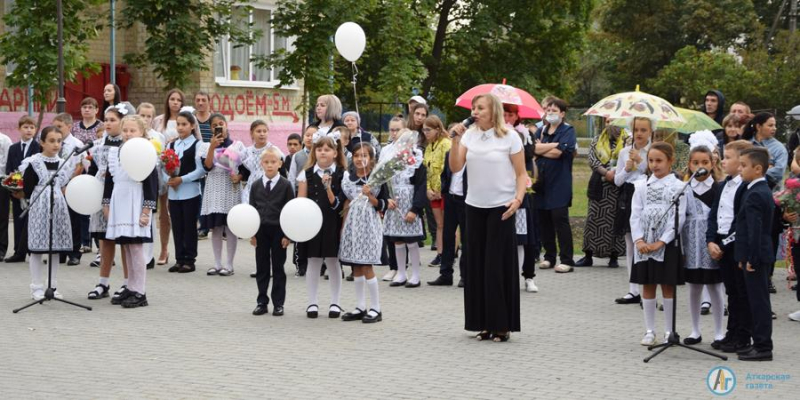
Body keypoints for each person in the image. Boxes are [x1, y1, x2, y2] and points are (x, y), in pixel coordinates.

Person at [450, 93, 526, 342]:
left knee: (497, 265)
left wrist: (517, 200)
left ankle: (501, 324)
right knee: (477, 265)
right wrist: (455, 140)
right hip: (474, 205)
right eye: (473, 107)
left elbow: (521, 174)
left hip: (501, 207)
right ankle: (481, 322)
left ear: (493, 110)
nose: (475, 111)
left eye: (480, 107)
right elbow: (456, 166)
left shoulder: (510, 137)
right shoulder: (469, 135)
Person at [630, 142, 686, 346]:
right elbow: (635, 214)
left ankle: (669, 331)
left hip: (666, 245)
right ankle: (649, 330)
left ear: (670, 161)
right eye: (651, 160)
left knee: (667, 286)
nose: (654, 165)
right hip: (644, 244)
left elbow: (677, 219)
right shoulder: (641, 185)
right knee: (648, 284)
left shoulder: (679, 187)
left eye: (659, 160)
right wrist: (639, 240)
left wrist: (661, 242)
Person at [103, 115, 159, 308]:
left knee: (136, 247)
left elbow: (152, 183)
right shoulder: (116, 152)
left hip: (137, 201)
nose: (128, 134)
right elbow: (110, 179)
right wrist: (106, 203)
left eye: (132, 130)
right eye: (125, 130)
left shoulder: (145, 152)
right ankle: (130, 285)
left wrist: (146, 211)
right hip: (121, 200)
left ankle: (140, 291)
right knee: (125, 245)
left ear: (142, 132)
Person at [706, 140, 753, 353]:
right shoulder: (722, 185)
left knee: (741, 293)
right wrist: (711, 241)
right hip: (721, 242)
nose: (722, 161)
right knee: (731, 292)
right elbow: (714, 214)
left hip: (734, 244)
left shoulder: (744, 187)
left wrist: (723, 244)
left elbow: (740, 220)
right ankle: (730, 333)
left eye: (727, 157)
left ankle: (742, 336)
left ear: (742, 161)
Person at [21, 126, 75, 300]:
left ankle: (52, 285)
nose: (56, 145)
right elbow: (28, 188)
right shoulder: (34, 162)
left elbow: (65, 184)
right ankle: (36, 287)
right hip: (39, 206)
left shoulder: (63, 164)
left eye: (59, 141)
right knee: (37, 248)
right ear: (42, 142)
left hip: (58, 205)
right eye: (51, 141)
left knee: (55, 248)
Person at [681, 135, 725, 346]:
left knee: (715, 286)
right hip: (691, 243)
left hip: (710, 243)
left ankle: (719, 331)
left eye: (705, 162)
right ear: (689, 164)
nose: (700, 166)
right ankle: (695, 330)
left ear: (713, 163)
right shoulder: (684, 189)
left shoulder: (718, 188)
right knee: (694, 286)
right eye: (696, 162)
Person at [296, 135, 347, 319]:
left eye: (327, 149)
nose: (322, 152)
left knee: (333, 262)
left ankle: (335, 302)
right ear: (314, 152)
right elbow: (300, 201)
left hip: (333, 222)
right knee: (313, 261)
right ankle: (312, 302)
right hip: (312, 223)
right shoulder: (306, 174)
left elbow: (344, 203)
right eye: (319, 149)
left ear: (335, 153)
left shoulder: (342, 174)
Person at [87, 103, 133, 302]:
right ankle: (103, 283)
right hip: (103, 191)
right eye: (106, 119)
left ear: (122, 122)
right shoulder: (98, 145)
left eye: (112, 120)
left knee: (123, 241)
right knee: (106, 240)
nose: (108, 123)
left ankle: (127, 283)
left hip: (121, 192)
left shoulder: (129, 144)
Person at [340, 143, 390, 323]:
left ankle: (376, 308)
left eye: (364, 155)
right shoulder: (348, 178)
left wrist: (370, 195)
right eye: (356, 156)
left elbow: (384, 204)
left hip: (369, 224)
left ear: (371, 158)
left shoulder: (378, 179)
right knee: (356, 266)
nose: (360, 159)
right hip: (353, 224)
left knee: (367, 265)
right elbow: (345, 202)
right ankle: (360, 306)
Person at [734, 147, 775, 361]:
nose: (740, 169)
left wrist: (751, 258)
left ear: (757, 169)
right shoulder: (757, 189)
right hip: (755, 255)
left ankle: (763, 347)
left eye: (743, 166)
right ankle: (760, 344)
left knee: (759, 302)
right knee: (756, 300)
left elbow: (755, 230)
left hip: (756, 256)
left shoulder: (756, 194)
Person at [576, 118, 627, 268]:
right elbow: (592, 160)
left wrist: (616, 173)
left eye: (614, 120)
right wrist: (606, 173)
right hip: (600, 186)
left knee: (616, 220)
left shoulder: (627, 141)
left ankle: (614, 256)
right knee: (593, 219)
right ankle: (588, 255)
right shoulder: (597, 140)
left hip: (618, 188)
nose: (611, 123)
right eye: (608, 120)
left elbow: (628, 160)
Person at [533, 98, 577, 273]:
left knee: (560, 219)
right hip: (541, 183)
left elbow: (560, 152)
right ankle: (549, 256)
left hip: (559, 183)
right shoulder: (540, 130)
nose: (550, 112)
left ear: (562, 113)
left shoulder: (568, 130)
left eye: (554, 110)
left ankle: (567, 259)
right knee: (543, 220)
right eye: (548, 110)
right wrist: (548, 147)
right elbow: (532, 150)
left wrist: (542, 149)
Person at [250, 147, 294, 317]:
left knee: (278, 267)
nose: (269, 165)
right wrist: (252, 233)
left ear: (280, 163)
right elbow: (252, 210)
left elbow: (289, 210)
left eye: (273, 162)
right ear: (261, 164)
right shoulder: (255, 185)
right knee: (261, 267)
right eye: (266, 162)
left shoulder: (285, 185)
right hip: (261, 230)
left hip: (278, 230)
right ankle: (261, 301)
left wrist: (287, 235)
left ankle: (278, 303)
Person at [613, 117, 653, 304]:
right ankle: (633, 289)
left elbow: (657, 172)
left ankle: (649, 287)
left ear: (650, 131)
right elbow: (617, 180)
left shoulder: (654, 150)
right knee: (631, 242)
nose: (639, 133)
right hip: (629, 195)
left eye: (644, 130)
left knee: (648, 241)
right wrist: (627, 168)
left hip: (649, 195)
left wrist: (642, 162)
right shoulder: (624, 152)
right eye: (636, 129)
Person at [382, 125, 426, 287]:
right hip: (395, 205)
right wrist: (387, 198)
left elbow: (421, 187)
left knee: (411, 241)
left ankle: (415, 274)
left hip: (409, 205)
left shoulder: (417, 162)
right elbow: (384, 183)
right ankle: (401, 272)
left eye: (407, 141)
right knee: (397, 240)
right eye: (400, 140)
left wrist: (415, 209)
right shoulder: (391, 161)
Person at [164, 108, 206, 274]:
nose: (180, 128)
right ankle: (179, 258)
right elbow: (163, 165)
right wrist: (168, 179)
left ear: (192, 126)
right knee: (177, 226)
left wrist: (182, 179)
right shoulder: (171, 144)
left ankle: (189, 259)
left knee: (189, 226)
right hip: (174, 193)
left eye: (184, 124)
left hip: (190, 192)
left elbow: (201, 170)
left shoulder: (198, 145)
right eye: (178, 124)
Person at [201, 113, 242, 276]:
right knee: (216, 227)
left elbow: (242, 165)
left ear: (226, 125)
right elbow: (208, 166)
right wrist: (212, 147)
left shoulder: (237, 145)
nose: (218, 127)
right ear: (211, 128)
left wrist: (237, 176)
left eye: (221, 123)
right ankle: (217, 263)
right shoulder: (206, 146)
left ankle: (229, 265)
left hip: (229, 187)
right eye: (214, 125)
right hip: (214, 187)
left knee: (230, 226)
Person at [137, 103, 169, 266]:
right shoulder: (133, 134)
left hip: (152, 179)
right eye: (142, 115)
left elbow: (162, 158)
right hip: (135, 180)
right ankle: (137, 252)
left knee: (149, 215)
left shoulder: (158, 136)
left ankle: (148, 256)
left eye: (149, 116)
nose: (145, 119)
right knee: (137, 215)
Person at [4, 116, 40, 263]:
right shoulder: (13, 148)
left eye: (32, 127)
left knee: (31, 221)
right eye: (25, 127)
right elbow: (10, 168)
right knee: (18, 221)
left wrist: (26, 190)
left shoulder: (38, 147)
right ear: (19, 129)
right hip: (16, 190)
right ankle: (18, 251)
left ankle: (32, 250)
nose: (29, 130)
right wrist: (14, 188)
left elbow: (37, 170)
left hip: (31, 190)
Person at [52, 113, 84, 266]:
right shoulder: (53, 143)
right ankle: (60, 252)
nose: (56, 130)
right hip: (56, 186)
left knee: (72, 220)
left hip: (70, 187)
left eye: (59, 127)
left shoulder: (76, 144)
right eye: (54, 126)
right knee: (58, 219)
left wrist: (68, 185)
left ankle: (74, 253)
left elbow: (79, 165)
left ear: (69, 126)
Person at [422, 115, 450, 267]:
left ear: (437, 129)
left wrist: (440, 189)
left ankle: (449, 252)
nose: (425, 133)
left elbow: (447, 168)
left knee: (448, 224)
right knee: (439, 224)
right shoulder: (428, 147)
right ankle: (440, 253)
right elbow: (426, 171)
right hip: (432, 191)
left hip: (444, 190)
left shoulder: (446, 144)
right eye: (424, 130)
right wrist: (428, 189)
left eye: (428, 130)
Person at [239, 120, 285, 206]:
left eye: (265, 131)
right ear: (252, 133)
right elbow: (239, 166)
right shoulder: (247, 151)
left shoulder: (273, 150)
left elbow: (282, 168)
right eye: (258, 131)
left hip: (269, 185)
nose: (262, 134)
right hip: (251, 187)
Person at [0, 126, 11, 261]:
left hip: (1, 180)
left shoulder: (4, 140)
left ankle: (1, 248)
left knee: (2, 216)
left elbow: (10, 163)